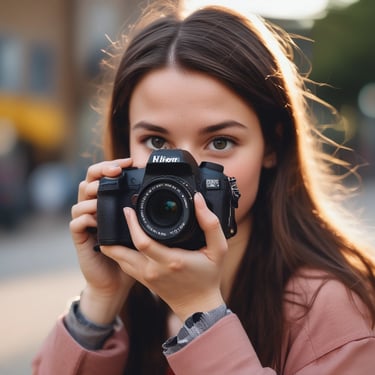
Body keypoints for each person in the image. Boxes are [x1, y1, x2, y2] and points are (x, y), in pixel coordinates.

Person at [32, 3, 375, 375]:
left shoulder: (329, 308)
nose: (183, 171)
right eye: (156, 142)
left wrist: (200, 313)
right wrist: (99, 302)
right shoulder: (132, 300)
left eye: (221, 142)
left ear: (272, 147)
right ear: (123, 144)